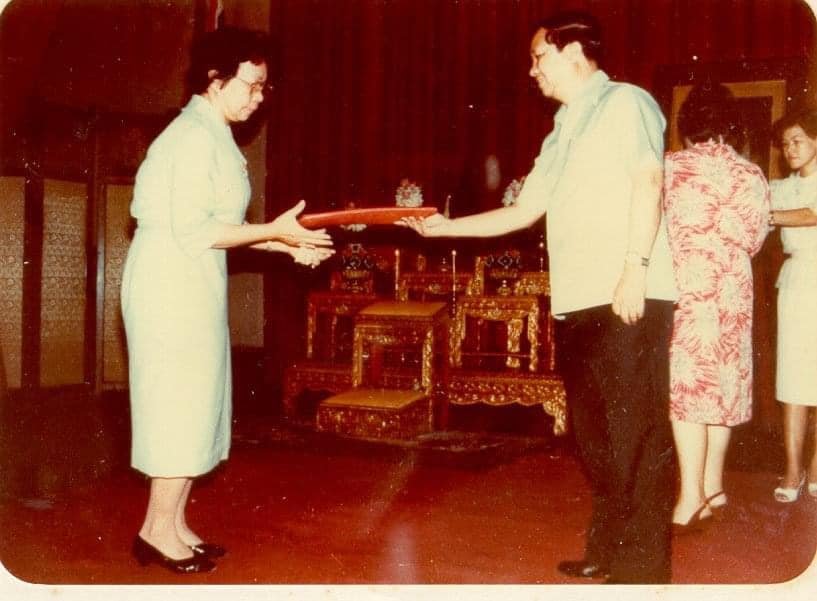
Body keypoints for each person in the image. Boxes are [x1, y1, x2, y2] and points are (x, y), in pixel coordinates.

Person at [400, 11, 677, 584]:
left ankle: (643, 568)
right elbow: (525, 211)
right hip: (578, 299)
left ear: (574, 53)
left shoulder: (626, 102)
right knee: (595, 436)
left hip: (627, 293)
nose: (532, 70)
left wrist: (635, 268)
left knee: (635, 433)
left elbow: (649, 180)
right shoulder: (561, 128)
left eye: (538, 57)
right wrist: (444, 228)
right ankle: (608, 547)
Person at [121, 27, 334, 574]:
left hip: (192, 278)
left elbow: (221, 228)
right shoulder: (192, 138)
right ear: (215, 80)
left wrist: (286, 245)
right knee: (177, 404)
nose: (259, 97)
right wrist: (276, 231)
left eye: (265, 87)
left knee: (198, 402)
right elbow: (197, 230)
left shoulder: (213, 133)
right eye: (252, 84)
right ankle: (154, 531)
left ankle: (171, 524)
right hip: (170, 285)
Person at [663, 83, 769, 530]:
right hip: (733, 291)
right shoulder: (751, 174)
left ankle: (690, 498)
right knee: (723, 383)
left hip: (690, 288)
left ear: (687, 124)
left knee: (689, 388)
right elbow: (756, 239)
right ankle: (713, 486)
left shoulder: (672, 167)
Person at [768, 108, 817, 503]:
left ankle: (816, 466)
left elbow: (810, 214)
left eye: (797, 140)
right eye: (785, 143)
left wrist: (766, 214)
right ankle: (792, 468)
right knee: (793, 380)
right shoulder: (779, 188)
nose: (790, 149)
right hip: (798, 282)